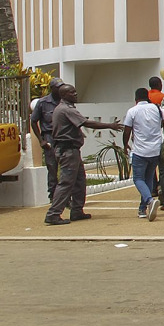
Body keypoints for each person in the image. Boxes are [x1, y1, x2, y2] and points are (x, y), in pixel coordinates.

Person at [43, 84, 122, 225]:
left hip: (71, 150)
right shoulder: (66, 110)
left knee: (79, 182)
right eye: (71, 92)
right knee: (66, 183)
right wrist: (110, 126)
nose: (75, 94)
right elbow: (86, 123)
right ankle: (53, 214)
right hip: (68, 151)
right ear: (64, 95)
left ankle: (77, 211)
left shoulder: (63, 109)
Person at [123, 86, 164, 221]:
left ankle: (149, 200)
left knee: (138, 179)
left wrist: (125, 145)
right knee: (148, 179)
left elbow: (127, 130)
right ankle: (143, 209)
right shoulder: (157, 109)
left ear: (136, 99)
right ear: (147, 97)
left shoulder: (132, 111)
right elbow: (162, 124)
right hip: (155, 150)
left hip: (140, 150)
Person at [29, 77, 64, 200]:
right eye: (58, 87)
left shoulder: (65, 101)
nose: (60, 89)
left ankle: (65, 196)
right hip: (49, 136)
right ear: (52, 88)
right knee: (52, 167)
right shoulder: (43, 103)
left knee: (67, 167)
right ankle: (53, 196)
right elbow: (33, 121)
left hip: (63, 137)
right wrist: (41, 140)